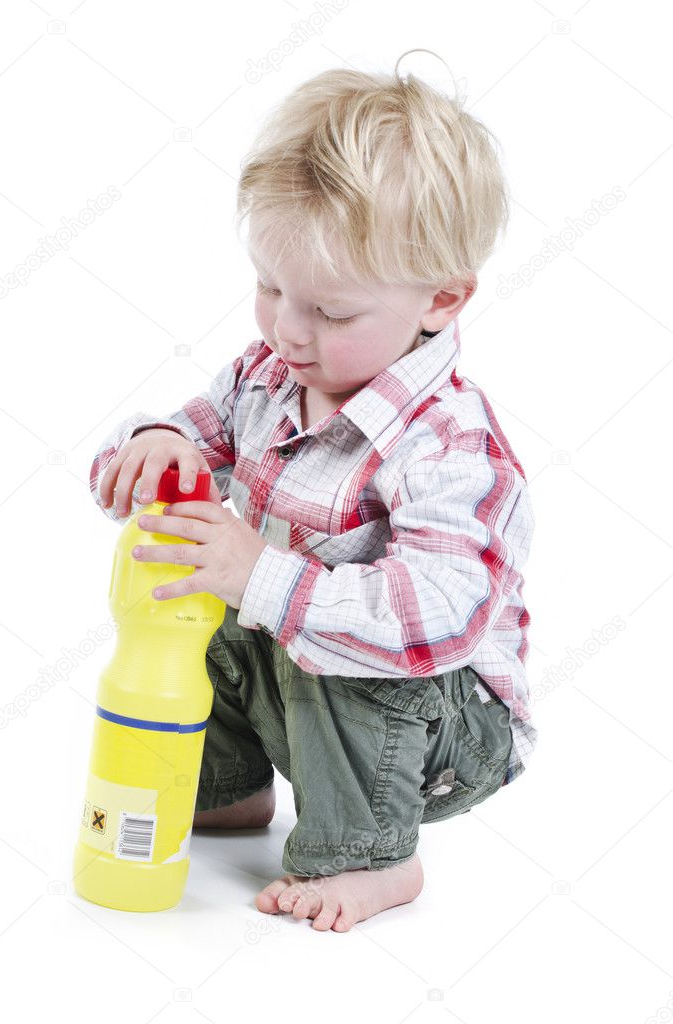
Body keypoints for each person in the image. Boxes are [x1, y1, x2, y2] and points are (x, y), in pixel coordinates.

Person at [89, 55, 536, 933]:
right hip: (303, 692)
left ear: (440, 299)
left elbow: (433, 623)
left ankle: (374, 856)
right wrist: (154, 446)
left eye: (330, 313)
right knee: (196, 595)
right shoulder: (267, 374)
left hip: (438, 729)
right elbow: (191, 434)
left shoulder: (449, 444)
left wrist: (262, 576)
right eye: (269, 287)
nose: (287, 329)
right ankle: (226, 790)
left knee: (311, 621)